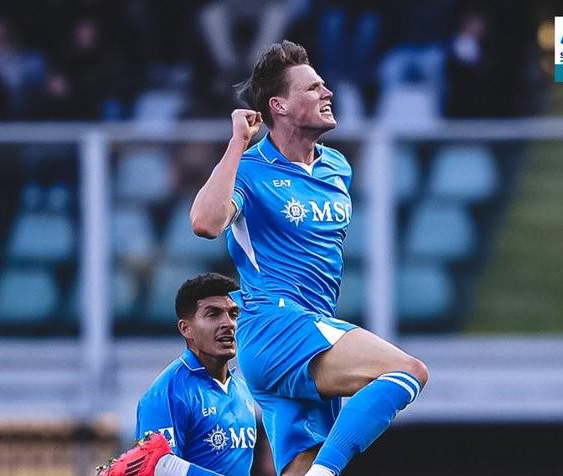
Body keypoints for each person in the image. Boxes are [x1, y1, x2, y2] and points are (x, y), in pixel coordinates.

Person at [190, 40, 429, 476]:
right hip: (275, 326)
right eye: (313, 87)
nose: (327, 92)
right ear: (279, 105)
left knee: (302, 467)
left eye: (323, 85)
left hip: (309, 331)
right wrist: (237, 144)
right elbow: (205, 223)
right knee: (406, 371)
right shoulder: (250, 170)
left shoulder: (337, 166)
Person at [132, 273, 257, 476]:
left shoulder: (242, 390)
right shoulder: (167, 392)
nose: (229, 324)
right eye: (213, 314)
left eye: (234, 314)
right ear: (186, 329)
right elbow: (157, 466)